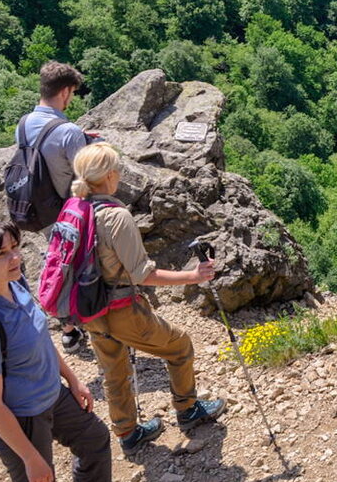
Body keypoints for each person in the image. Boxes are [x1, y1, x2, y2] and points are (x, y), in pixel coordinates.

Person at [72, 142, 227, 453]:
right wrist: (193, 277)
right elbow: (143, 274)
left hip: (89, 309)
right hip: (120, 308)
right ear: (111, 175)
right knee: (179, 345)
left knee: (114, 372)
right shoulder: (116, 216)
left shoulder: (76, 210)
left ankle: (128, 433)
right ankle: (188, 410)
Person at [0, 219, 111, 482]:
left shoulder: (15, 284)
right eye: (2, 254)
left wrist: (73, 381)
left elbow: (39, 337)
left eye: (15, 247)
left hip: (54, 395)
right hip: (22, 418)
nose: (15, 257)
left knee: (94, 440)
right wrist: (29, 457)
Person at [20, 61, 93, 353]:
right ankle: (97, 322)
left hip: (37, 210)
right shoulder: (69, 131)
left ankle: (68, 330)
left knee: (57, 263)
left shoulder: (23, 123)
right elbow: (85, 177)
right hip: (67, 212)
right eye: (72, 93)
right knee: (82, 266)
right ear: (64, 92)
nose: (71, 99)